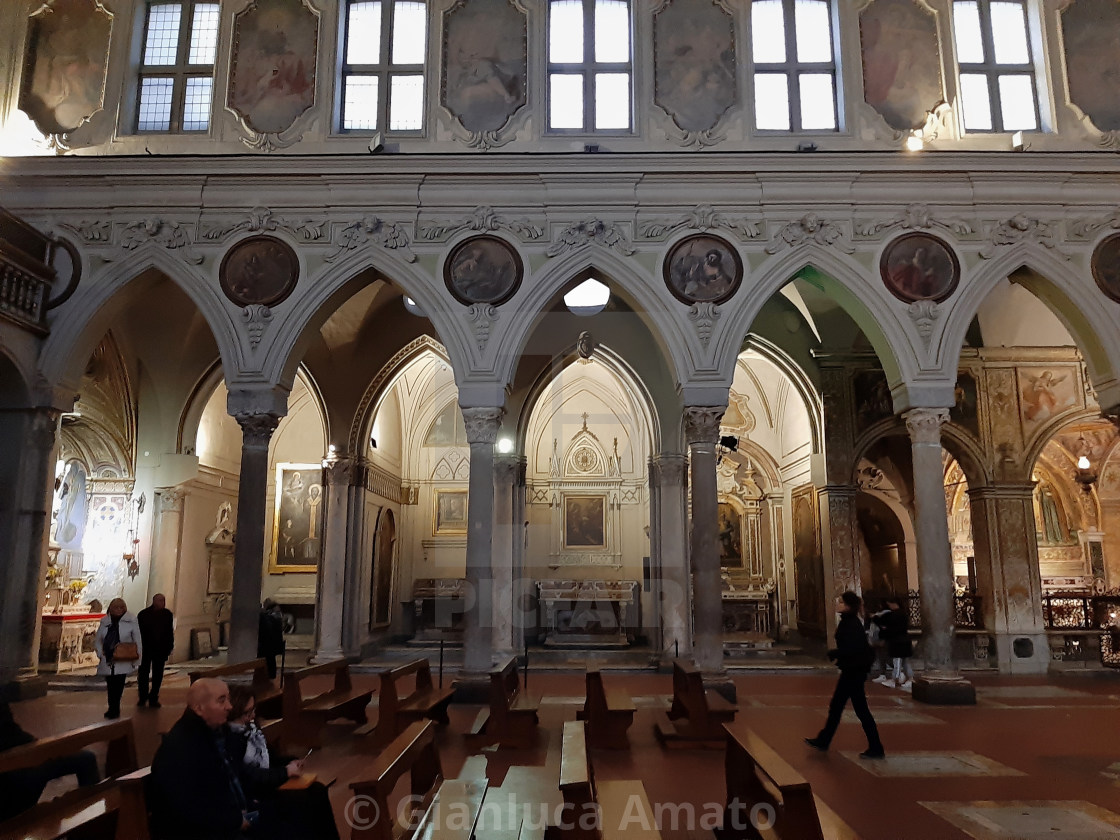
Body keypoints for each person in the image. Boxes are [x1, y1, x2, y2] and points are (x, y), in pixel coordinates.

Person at [225, 686, 340, 840]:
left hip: (268, 781)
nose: (252, 716)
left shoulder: (251, 729)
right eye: (247, 712)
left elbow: (269, 758)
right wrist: (285, 772)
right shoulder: (229, 738)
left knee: (317, 790)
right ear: (233, 713)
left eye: (253, 709)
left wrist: (291, 761)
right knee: (298, 801)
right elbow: (247, 775)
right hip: (253, 792)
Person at [149, 678, 250, 840]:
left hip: (231, 819)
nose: (230, 707)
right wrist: (235, 820)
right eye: (221, 701)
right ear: (199, 708)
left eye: (228, 699)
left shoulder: (218, 732)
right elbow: (190, 807)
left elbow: (238, 772)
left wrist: (283, 772)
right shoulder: (180, 747)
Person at [805, 591, 885, 759]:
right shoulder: (849, 622)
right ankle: (824, 739)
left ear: (847, 606)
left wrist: (836, 653)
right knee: (837, 707)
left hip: (853, 672)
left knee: (859, 710)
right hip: (852, 671)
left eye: (840, 602)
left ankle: (876, 747)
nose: (837, 604)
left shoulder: (851, 624)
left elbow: (853, 649)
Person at [0, 700, 100, 821]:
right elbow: (10, 731)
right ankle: (92, 825)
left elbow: (9, 730)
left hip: (14, 764)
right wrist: (43, 749)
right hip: (13, 774)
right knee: (86, 760)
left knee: (84, 759)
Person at [94, 598, 142, 720]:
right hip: (108, 659)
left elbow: (137, 640)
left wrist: (137, 658)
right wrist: (100, 653)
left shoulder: (131, 620)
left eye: (121, 607)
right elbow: (99, 639)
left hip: (123, 659)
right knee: (110, 685)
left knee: (119, 685)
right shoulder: (105, 622)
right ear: (111, 608)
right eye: (116, 607)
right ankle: (112, 707)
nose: (119, 610)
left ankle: (115, 707)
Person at [136, 593, 174, 708]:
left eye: (163, 600)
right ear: (154, 601)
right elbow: (139, 633)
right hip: (146, 649)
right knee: (143, 674)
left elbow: (169, 632)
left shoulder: (167, 614)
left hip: (161, 649)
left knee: (158, 674)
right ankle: (142, 697)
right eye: (160, 601)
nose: (162, 603)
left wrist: (170, 646)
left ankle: (154, 697)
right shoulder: (143, 614)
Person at [873, 596, 914, 690]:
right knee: (906, 662)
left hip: (898, 642)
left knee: (897, 662)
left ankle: (895, 680)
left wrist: (883, 632)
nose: (889, 606)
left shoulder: (894, 615)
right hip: (905, 641)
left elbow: (890, 628)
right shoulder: (903, 613)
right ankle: (911, 679)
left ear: (893, 603)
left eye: (890, 604)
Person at [257, 599, 285, 679]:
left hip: (267, 646)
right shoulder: (268, 617)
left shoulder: (265, 617)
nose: (278, 614)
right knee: (270, 664)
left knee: (269, 664)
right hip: (270, 646)